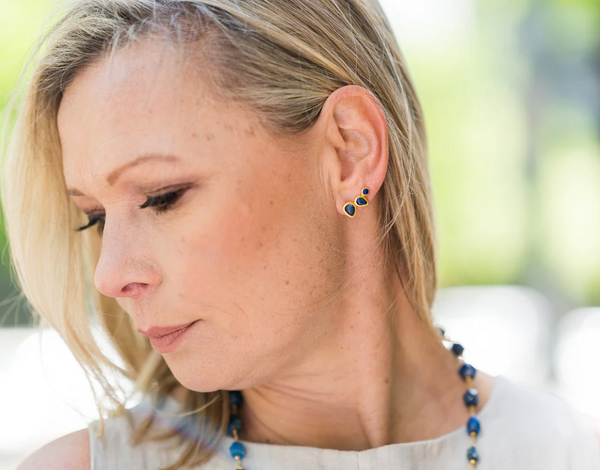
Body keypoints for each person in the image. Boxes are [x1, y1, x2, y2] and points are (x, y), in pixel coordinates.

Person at [2, 1, 599, 469]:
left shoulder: (565, 451)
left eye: (162, 196)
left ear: (349, 152)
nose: (109, 276)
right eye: (96, 217)